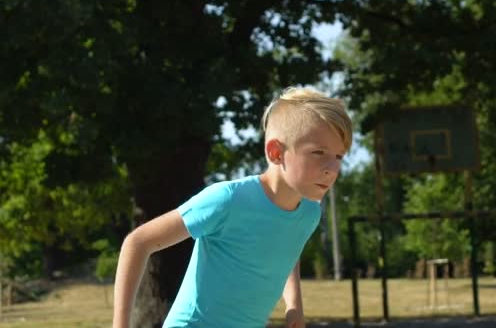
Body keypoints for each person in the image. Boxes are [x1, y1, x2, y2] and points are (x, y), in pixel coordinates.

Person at [112, 87, 353, 328]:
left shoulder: (309, 213)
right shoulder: (227, 200)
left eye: (339, 156)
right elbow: (138, 243)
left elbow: (288, 249)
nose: (331, 168)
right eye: (318, 152)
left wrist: (294, 306)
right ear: (276, 152)